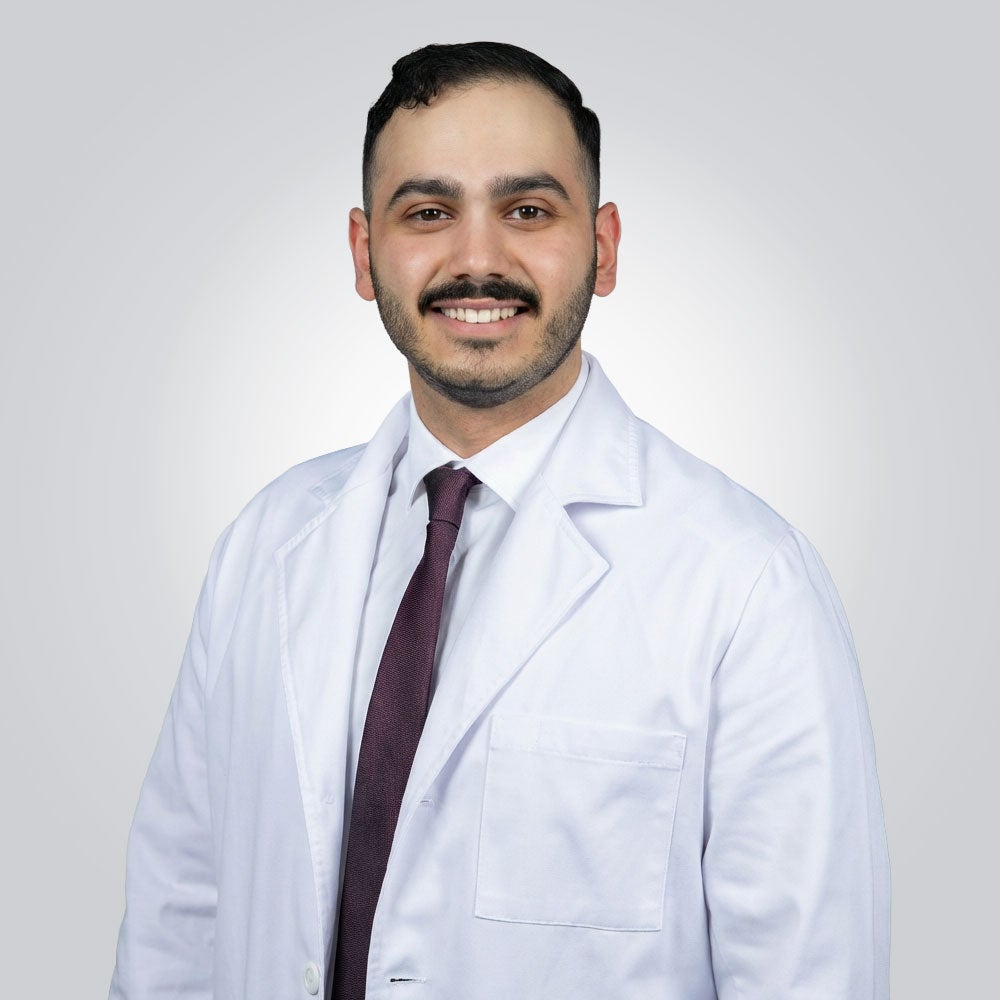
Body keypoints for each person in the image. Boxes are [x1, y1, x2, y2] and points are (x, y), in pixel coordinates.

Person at [109, 41, 890, 1000]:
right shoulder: (265, 547)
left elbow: (811, 974)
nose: (477, 260)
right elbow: (176, 921)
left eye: (527, 210)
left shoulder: (746, 585)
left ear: (603, 247)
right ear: (363, 253)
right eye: (428, 213)